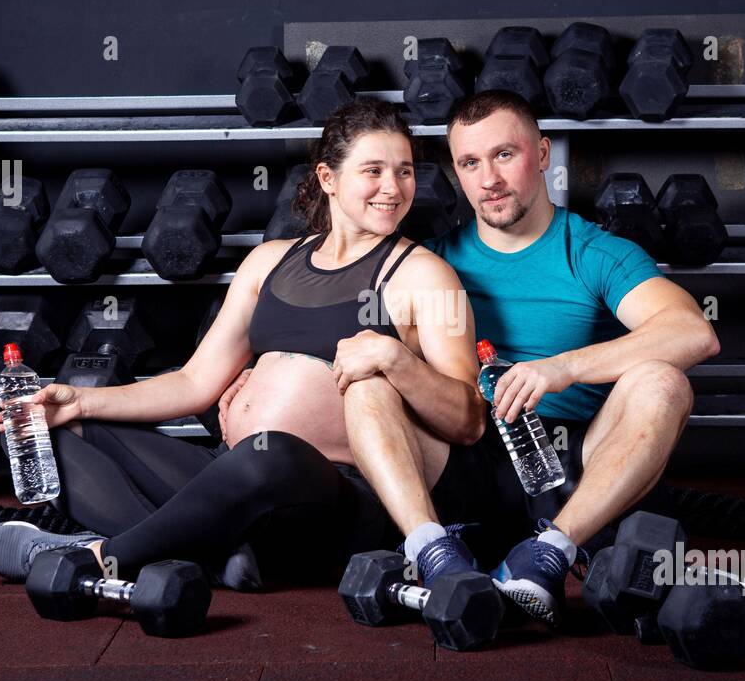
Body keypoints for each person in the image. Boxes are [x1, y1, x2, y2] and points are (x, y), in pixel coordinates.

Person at [223, 89, 719, 623]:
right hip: (465, 461)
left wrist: (562, 367)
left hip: (573, 461)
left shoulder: (592, 252)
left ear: (544, 153)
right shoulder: (427, 260)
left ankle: (550, 553)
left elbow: (692, 332)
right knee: (374, 381)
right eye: (469, 162)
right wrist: (265, 375)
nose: (489, 179)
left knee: (663, 382)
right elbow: (351, 341)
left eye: (505, 154)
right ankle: (433, 551)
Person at [0, 97, 487, 590]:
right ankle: (217, 555)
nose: (393, 188)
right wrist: (79, 400)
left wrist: (398, 360)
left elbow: (467, 420)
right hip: (229, 476)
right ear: (328, 178)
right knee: (43, 432)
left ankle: (99, 557)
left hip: (334, 499)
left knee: (271, 452)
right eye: (373, 170)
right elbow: (195, 382)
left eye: (404, 171)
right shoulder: (269, 261)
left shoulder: (426, 275)